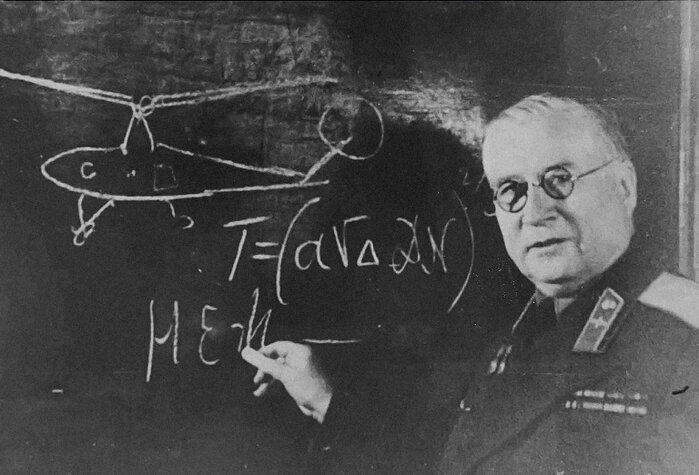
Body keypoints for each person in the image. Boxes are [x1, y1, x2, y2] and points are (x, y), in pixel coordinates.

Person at [242, 95, 699, 473]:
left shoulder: (684, 338)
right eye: (511, 190)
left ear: (624, 186)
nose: (535, 212)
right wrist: (326, 400)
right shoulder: (517, 329)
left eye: (559, 179)